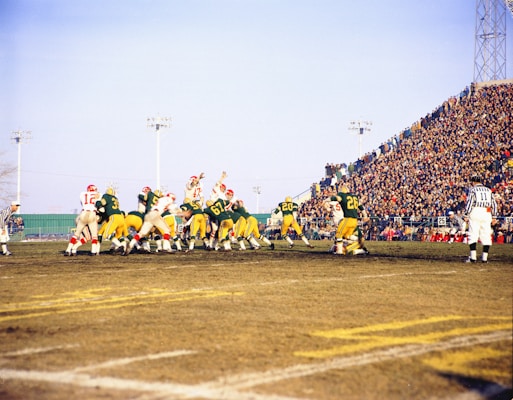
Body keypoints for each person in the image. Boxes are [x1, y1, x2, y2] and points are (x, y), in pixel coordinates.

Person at [124, 190, 174, 255]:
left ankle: (131, 244)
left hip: (148, 215)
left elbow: (143, 198)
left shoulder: (153, 196)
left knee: (142, 233)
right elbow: (173, 210)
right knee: (167, 230)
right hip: (155, 215)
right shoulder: (165, 200)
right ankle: (165, 248)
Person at [464, 175, 498, 263]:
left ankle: (473, 257)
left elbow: (470, 203)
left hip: (475, 211)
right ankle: (484, 258)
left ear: (473, 182)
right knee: (486, 234)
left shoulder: (473, 190)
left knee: (473, 234)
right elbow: (494, 204)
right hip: (487, 212)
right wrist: (494, 216)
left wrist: (466, 214)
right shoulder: (488, 190)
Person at [331, 185, 368, 255]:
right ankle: (360, 250)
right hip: (356, 235)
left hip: (357, 240)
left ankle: (361, 250)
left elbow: (335, 198)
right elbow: (361, 207)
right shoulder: (354, 198)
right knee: (345, 238)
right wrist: (365, 215)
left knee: (345, 247)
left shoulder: (343, 197)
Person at [65, 185, 101, 256]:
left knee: (76, 234)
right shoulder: (99, 194)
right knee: (94, 236)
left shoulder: (82, 194)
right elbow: (99, 204)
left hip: (83, 213)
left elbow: (82, 203)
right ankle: (93, 251)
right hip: (92, 213)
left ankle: (68, 249)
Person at [96, 187, 128, 253]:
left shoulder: (106, 196)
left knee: (106, 234)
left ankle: (119, 246)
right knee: (119, 236)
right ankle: (124, 250)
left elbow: (102, 203)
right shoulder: (115, 198)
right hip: (121, 218)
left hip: (114, 217)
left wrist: (97, 203)